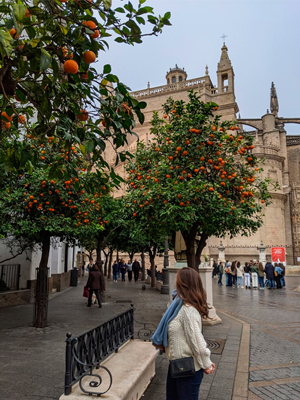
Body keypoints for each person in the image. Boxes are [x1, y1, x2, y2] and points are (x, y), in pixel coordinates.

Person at [152, 267, 215, 400]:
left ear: (184, 283)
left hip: (188, 371)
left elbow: (197, 343)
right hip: (176, 367)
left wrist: (206, 364)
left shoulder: (188, 311)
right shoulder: (178, 306)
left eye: (178, 280)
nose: (176, 282)